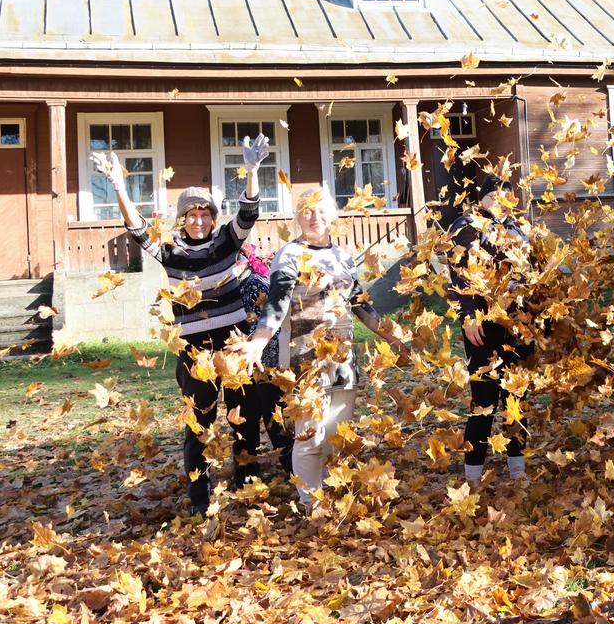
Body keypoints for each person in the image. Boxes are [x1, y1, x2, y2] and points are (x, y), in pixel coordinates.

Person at [91, 134, 271, 516]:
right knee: (199, 421)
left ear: (212, 217)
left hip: (234, 342)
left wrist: (252, 171)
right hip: (195, 351)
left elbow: (248, 214)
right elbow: (137, 228)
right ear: (183, 218)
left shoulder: (226, 242)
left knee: (246, 415)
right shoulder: (170, 250)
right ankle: (199, 492)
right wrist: (120, 186)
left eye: (205, 213)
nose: (199, 220)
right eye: (193, 214)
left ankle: (247, 479)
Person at [239, 187, 408, 511]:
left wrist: (393, 337)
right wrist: (258, 342)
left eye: (320, 210)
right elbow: (276, 306)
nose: (314, 216)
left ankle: (328, 496)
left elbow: (361, 305)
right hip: (305, 360)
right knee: (310, 435)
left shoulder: (342, 257)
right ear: (298, 217)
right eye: (307, 211)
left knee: (335, 435)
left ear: (332, 216)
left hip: (343, 359)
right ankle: (310, 504)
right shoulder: (288, 256)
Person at [445, 174, 534, 485]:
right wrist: (467, 315)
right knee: (484, 402)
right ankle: (472, 476)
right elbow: (458, 274)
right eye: (493, 197)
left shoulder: (520, 229)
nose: (499, 202)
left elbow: (531, 273)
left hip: (518, 327)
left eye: (506, 197)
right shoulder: (465, 225)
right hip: (483, 327)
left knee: (516, 399)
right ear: (481, 199)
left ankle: (517, 471)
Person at [238, 242, 293, 475]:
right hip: (251, 361)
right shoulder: (237, 285)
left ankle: (294, 470)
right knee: (250, 417)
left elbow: (266, 324)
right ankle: (249, 472)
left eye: (238, 258)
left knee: (275, 418)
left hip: (266, 361)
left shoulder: (254, 284)